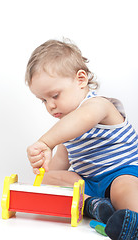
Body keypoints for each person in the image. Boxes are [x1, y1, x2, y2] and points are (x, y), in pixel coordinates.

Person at [25, 39, 138, 239]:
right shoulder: (66, 129)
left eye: (55, 95)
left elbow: (83, 119)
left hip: (122, 174)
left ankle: (132, 219)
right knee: (47, 180)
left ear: (81, 80)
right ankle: (91, 205)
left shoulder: (99, 105)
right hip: (90, 184)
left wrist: (45, 142)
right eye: (43, 100)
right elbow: (59, 166)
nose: (50, 106)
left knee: (124, 188)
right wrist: (44, 166)